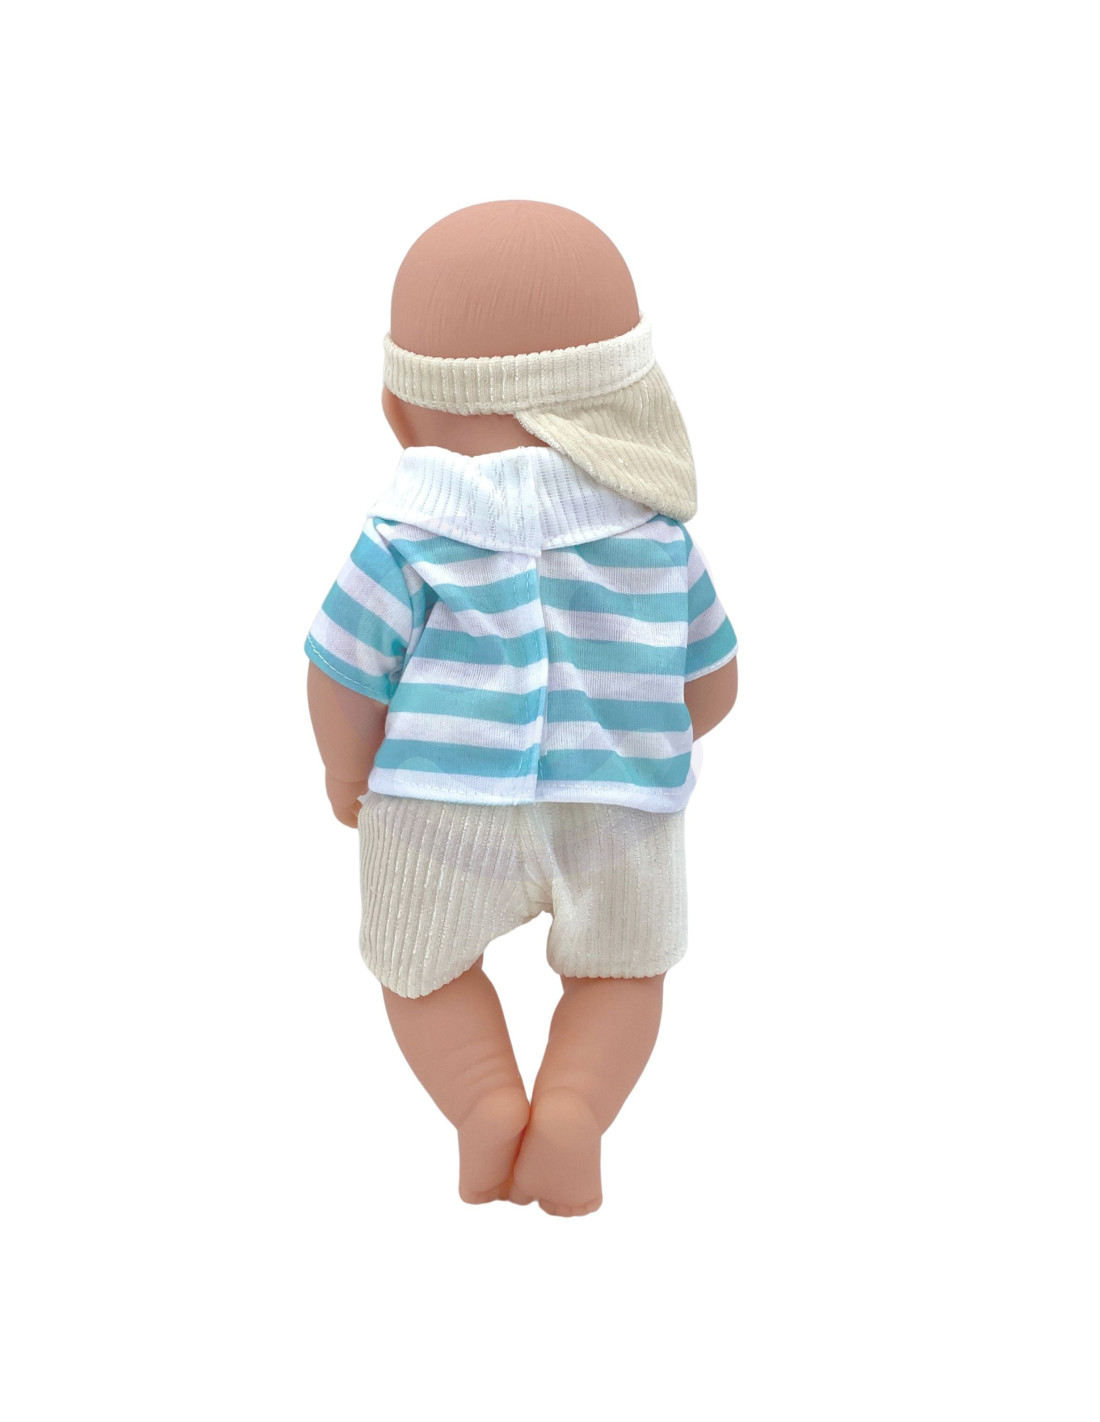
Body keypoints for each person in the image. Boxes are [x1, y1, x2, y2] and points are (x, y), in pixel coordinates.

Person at [306, 199, 739, 1215]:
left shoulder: (404, 535)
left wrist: (345, 771)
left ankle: (482, 1103)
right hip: (620, 813)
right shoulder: (659, 539)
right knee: (623, 975)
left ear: (397, 408)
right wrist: (644, 738)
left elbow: (341, 671)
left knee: (418, 969)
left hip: (439, 805)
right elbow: (713, 685)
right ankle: (575, 1113)